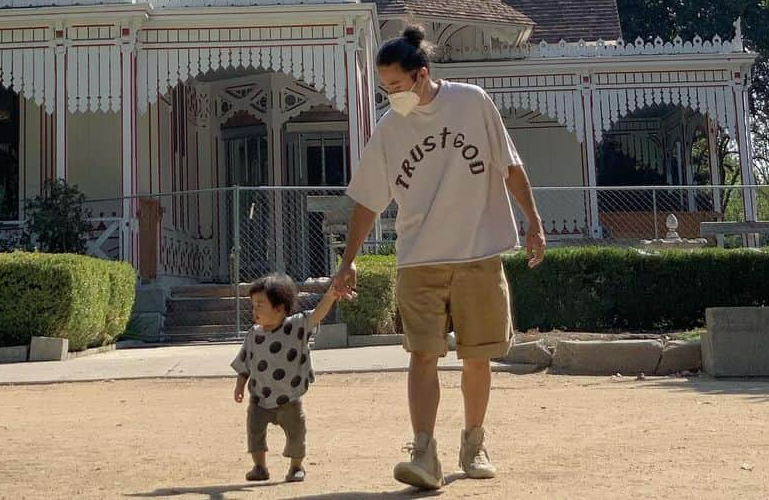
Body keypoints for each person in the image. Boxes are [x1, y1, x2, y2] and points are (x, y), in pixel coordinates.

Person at [332, 25, 546, 490]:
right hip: (418, 260)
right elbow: (369, 200)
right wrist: (348, 260)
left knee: (478, 357)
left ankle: (473, 443)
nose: (390, 95)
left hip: (478, 254)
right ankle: (424, 451)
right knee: (422, 356)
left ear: (421, 74)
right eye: (383, 87)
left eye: (396, 85)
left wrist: (533, 220)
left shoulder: (472, 103)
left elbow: (509, 166)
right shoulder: (389, 128)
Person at [231, 272, 345, 483]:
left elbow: (317, 314)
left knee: (296, 433)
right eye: (253, 305)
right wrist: (240, 386)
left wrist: (331, 295)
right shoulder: (253, 334)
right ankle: (259, 466)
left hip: (289, 398)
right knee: (255, 431)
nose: (254, 310)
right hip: (259, 398)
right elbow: (245, 364)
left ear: (280, 308)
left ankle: (296, 467)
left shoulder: (295, 326)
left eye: (260, 305)